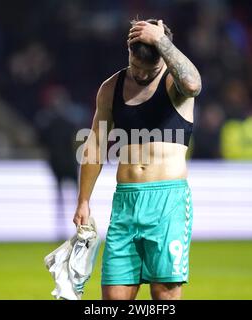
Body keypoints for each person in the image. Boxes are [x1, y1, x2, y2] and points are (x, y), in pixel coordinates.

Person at [73, 18, 202, 300]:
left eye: (150, 69)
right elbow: (95, 145)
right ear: (128, 51)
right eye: (136, 67)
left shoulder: (175, 82)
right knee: (113, 297)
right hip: (126, 204)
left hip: (167, 203)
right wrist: (83, 200)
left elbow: (194, 84)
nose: (142, 75)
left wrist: (161, 40)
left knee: (164, 294)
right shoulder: (111, 88)